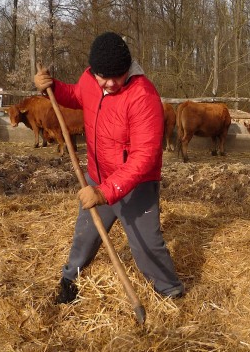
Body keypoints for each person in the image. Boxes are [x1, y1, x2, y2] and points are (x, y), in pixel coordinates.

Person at [34, 31, 184, 304]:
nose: (112, 83)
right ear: (94, 71)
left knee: (147, 245)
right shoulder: (90, 79)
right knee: (84, 237)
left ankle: (171, 293)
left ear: (128, 68)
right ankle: (69, 281)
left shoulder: (143, 96)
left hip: (134, 187)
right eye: (105, 77)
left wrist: (105, 192)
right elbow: (77, 96)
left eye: (119, 75)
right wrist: (51, 86)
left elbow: (145, 157)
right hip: (97, 176)